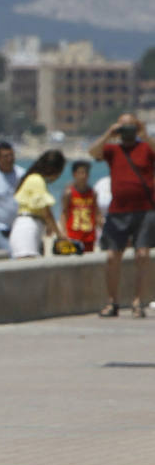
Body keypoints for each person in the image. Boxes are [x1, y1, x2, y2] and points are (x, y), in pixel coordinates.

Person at [89, 114, 155, 318]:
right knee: (111, 256)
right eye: (123, 126)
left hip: (145, 209)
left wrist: (144, 133)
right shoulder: (113, 150)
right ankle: (112, 302)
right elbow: (93, 152)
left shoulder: (145, 148)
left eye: (130, 126)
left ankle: (137, 302)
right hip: (118, 210)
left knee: (142, 255)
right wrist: (110, 133)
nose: (127, 130)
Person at [9, 149, 66, 259]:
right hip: (27, 230)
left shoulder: (33, 179)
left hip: (29, 228)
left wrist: (48, 225)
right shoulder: (36, 180)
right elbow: (46, 212)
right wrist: (59, 234)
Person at [62, 160, 98, 253]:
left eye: (86, 173)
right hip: (72, 235)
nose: (84, 176)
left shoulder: (93, 193)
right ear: (75, 174)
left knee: (89, 264)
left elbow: (97, 213)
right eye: (81, 173)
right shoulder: (69, 193)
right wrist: (64, 232)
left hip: (89, 236)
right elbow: (64, 213)